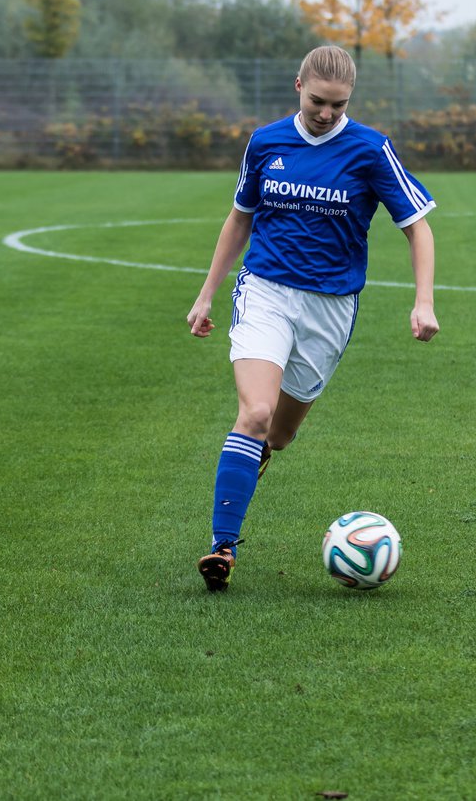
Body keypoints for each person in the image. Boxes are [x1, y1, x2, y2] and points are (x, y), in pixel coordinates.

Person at [186, 45, 439, 592]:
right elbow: (240, 219)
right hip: (266, 292)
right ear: (298, 84)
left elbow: (417, 226)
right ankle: (222, 546)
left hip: (330, 307)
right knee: (253, 413)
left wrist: (424, 301)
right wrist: (207, 294)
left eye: (339, 104)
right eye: (319, 101)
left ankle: (254, 460)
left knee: (278, 434)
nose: (327, 113)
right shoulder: (266, 141)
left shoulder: (371, 150)